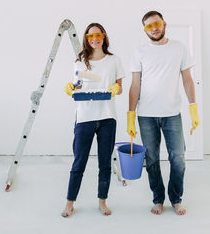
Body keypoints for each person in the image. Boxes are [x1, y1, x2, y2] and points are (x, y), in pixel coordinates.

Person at [127, 11, 200, 215]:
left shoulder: (179, 48)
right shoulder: (140, 51)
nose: (154, 28)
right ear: (145, 30)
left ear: (164, 23)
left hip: (172, 113)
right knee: (151, 159)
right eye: (149, 26)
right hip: (146, 115)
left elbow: (187, 79)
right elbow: (134, 86)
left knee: (178, 158)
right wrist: (130, 116)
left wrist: (193, 107)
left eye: (157, 23)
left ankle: (176, 199)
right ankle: (158, 199)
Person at [61, 23, 125, 217]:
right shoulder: (80, 61)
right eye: (90, 36)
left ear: (104, 36)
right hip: (85, 117)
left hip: (107, 117)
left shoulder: (114, 60)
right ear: (86, 39)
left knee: (105, 163)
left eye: (98, 35)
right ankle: (70, 203)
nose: (94, 39)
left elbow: (120, 87)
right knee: (79, 162)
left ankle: (102, 202)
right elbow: (79, 85)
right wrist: (72, 88)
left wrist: (115, 89)